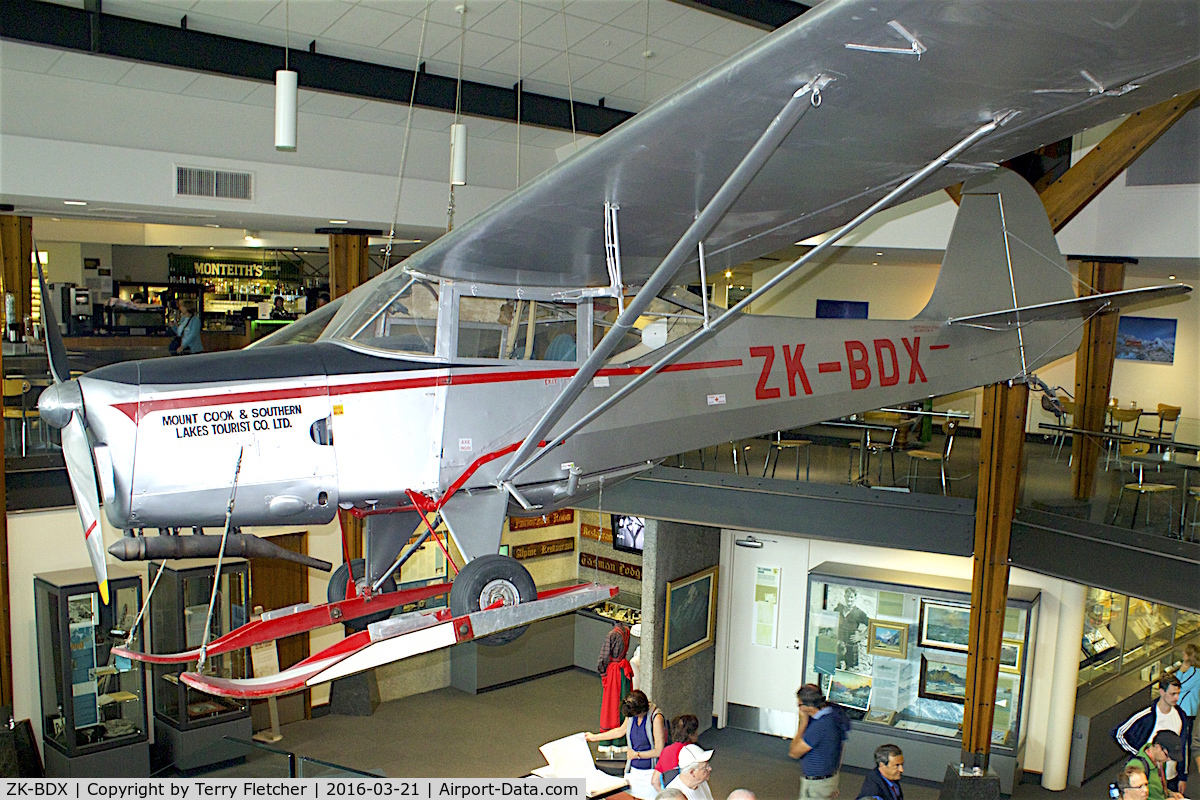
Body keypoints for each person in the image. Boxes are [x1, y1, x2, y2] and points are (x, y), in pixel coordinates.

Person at [586, 690, 667, 800]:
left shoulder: (656, 718)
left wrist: (637, 754)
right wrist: (594, 737)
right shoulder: (632, 715)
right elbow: (619, 732)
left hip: (649, 771)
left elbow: (659, 750)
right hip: (633, 770)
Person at [1116, 676, 1188, 793]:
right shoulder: (1147, 715)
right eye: (1173, 694)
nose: (1177, 698)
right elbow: (1120, 733)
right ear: (1162, 692)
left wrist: (1182, 776)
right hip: (1148, 775)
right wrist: (1138, 753)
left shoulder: (1180, 715)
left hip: (1171, 775)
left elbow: (1183, 746)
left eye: (1178, 694)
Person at [789, 683, 850, 800]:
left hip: (817, 785)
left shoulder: (820, 726)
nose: (799, 708)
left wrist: (803, 723)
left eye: (800, 704)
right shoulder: (833, 714)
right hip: (829, 779)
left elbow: (794, 752)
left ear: (809, 705)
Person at [597, 622, 633, 752]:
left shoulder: (611, 635)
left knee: (611, 705)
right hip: (623, 672)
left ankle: (608, 742)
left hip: (613, 673)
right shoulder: (627, 631)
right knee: (623, 701)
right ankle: (621, 741)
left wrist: (603, 672)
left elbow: (603, 658)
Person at [1126, 730, 1185, 800]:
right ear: (1157, 747)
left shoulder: (1160, 761)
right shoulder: (1137, 766)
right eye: (1167, 755)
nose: (1169, 759)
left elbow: (1158, 788)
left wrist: (1170, 793)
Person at [1174, 644, 1199, 795]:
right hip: (1183, 710)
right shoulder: (1192, 671)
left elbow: (1178, 685)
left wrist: (1181, 670)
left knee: (1185, 741)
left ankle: (1183, 770)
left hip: (1187, 711)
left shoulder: (1195, 673)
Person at [655, 715, 700, 790]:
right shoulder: (693, 751)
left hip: (671, 792)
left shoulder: (666, 751)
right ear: (690, 734)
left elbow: (655, 780)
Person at [836, 588, 869, 670]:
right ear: (844, 596)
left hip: (851, 645)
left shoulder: (859, 613)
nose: (849, 599)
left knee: (850, 669)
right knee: (835, 667)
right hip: (838, 644)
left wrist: (861, 636)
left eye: (851, 597)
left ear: (855, 598)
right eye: (847, 597)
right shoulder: (838, 609)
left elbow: (872, 625)